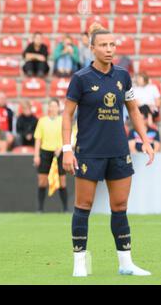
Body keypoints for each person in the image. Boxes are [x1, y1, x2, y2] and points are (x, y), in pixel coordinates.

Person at [62, 23, 155, 277]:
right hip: (89, 152)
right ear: (92, 49)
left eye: (112, 44)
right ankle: (79, 264)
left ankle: (126, 263)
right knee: (84, 206)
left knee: (120, 205)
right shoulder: (80, 78)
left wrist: (145, 140)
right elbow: (67, 115)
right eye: (103, 45)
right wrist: (67, 149)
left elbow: (134, 109)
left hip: (118, 151)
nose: (109, 49)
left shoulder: (123, 76)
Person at [33, 99, 68, 212]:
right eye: (50, 106)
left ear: (58, 108)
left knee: (62, 181)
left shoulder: (63, 120)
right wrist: (36, 155)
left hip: (59, 152)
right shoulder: (42, 121)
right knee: (42, 181)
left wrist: (61, 148)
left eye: (54, 106)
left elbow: (68, 136)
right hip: (45, 152)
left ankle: (65, 209)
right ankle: (40, 209)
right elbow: (38, 139)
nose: (52, 108)